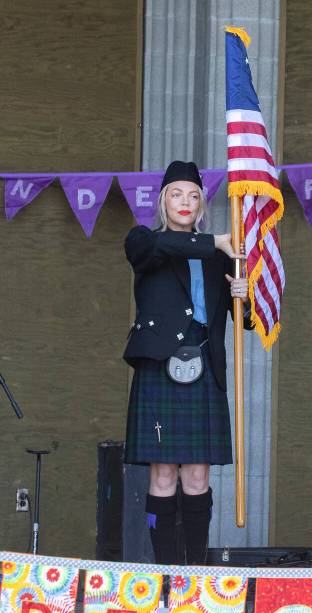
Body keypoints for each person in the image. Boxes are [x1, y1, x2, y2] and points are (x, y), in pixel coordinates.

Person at [123, 160, 250, 565]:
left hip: (204, 364)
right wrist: (216, 241)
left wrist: (244, 292)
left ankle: (194, 574)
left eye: (194, 196)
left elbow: (246, 321)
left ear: (201, 206)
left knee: (197, 478)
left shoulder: (219, 255)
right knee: (162, 476)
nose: (186, 202)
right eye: (177, 194)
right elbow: (163, 248)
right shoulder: (144, 240)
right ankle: (165, 576)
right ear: (163, 201)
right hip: (161, 365)